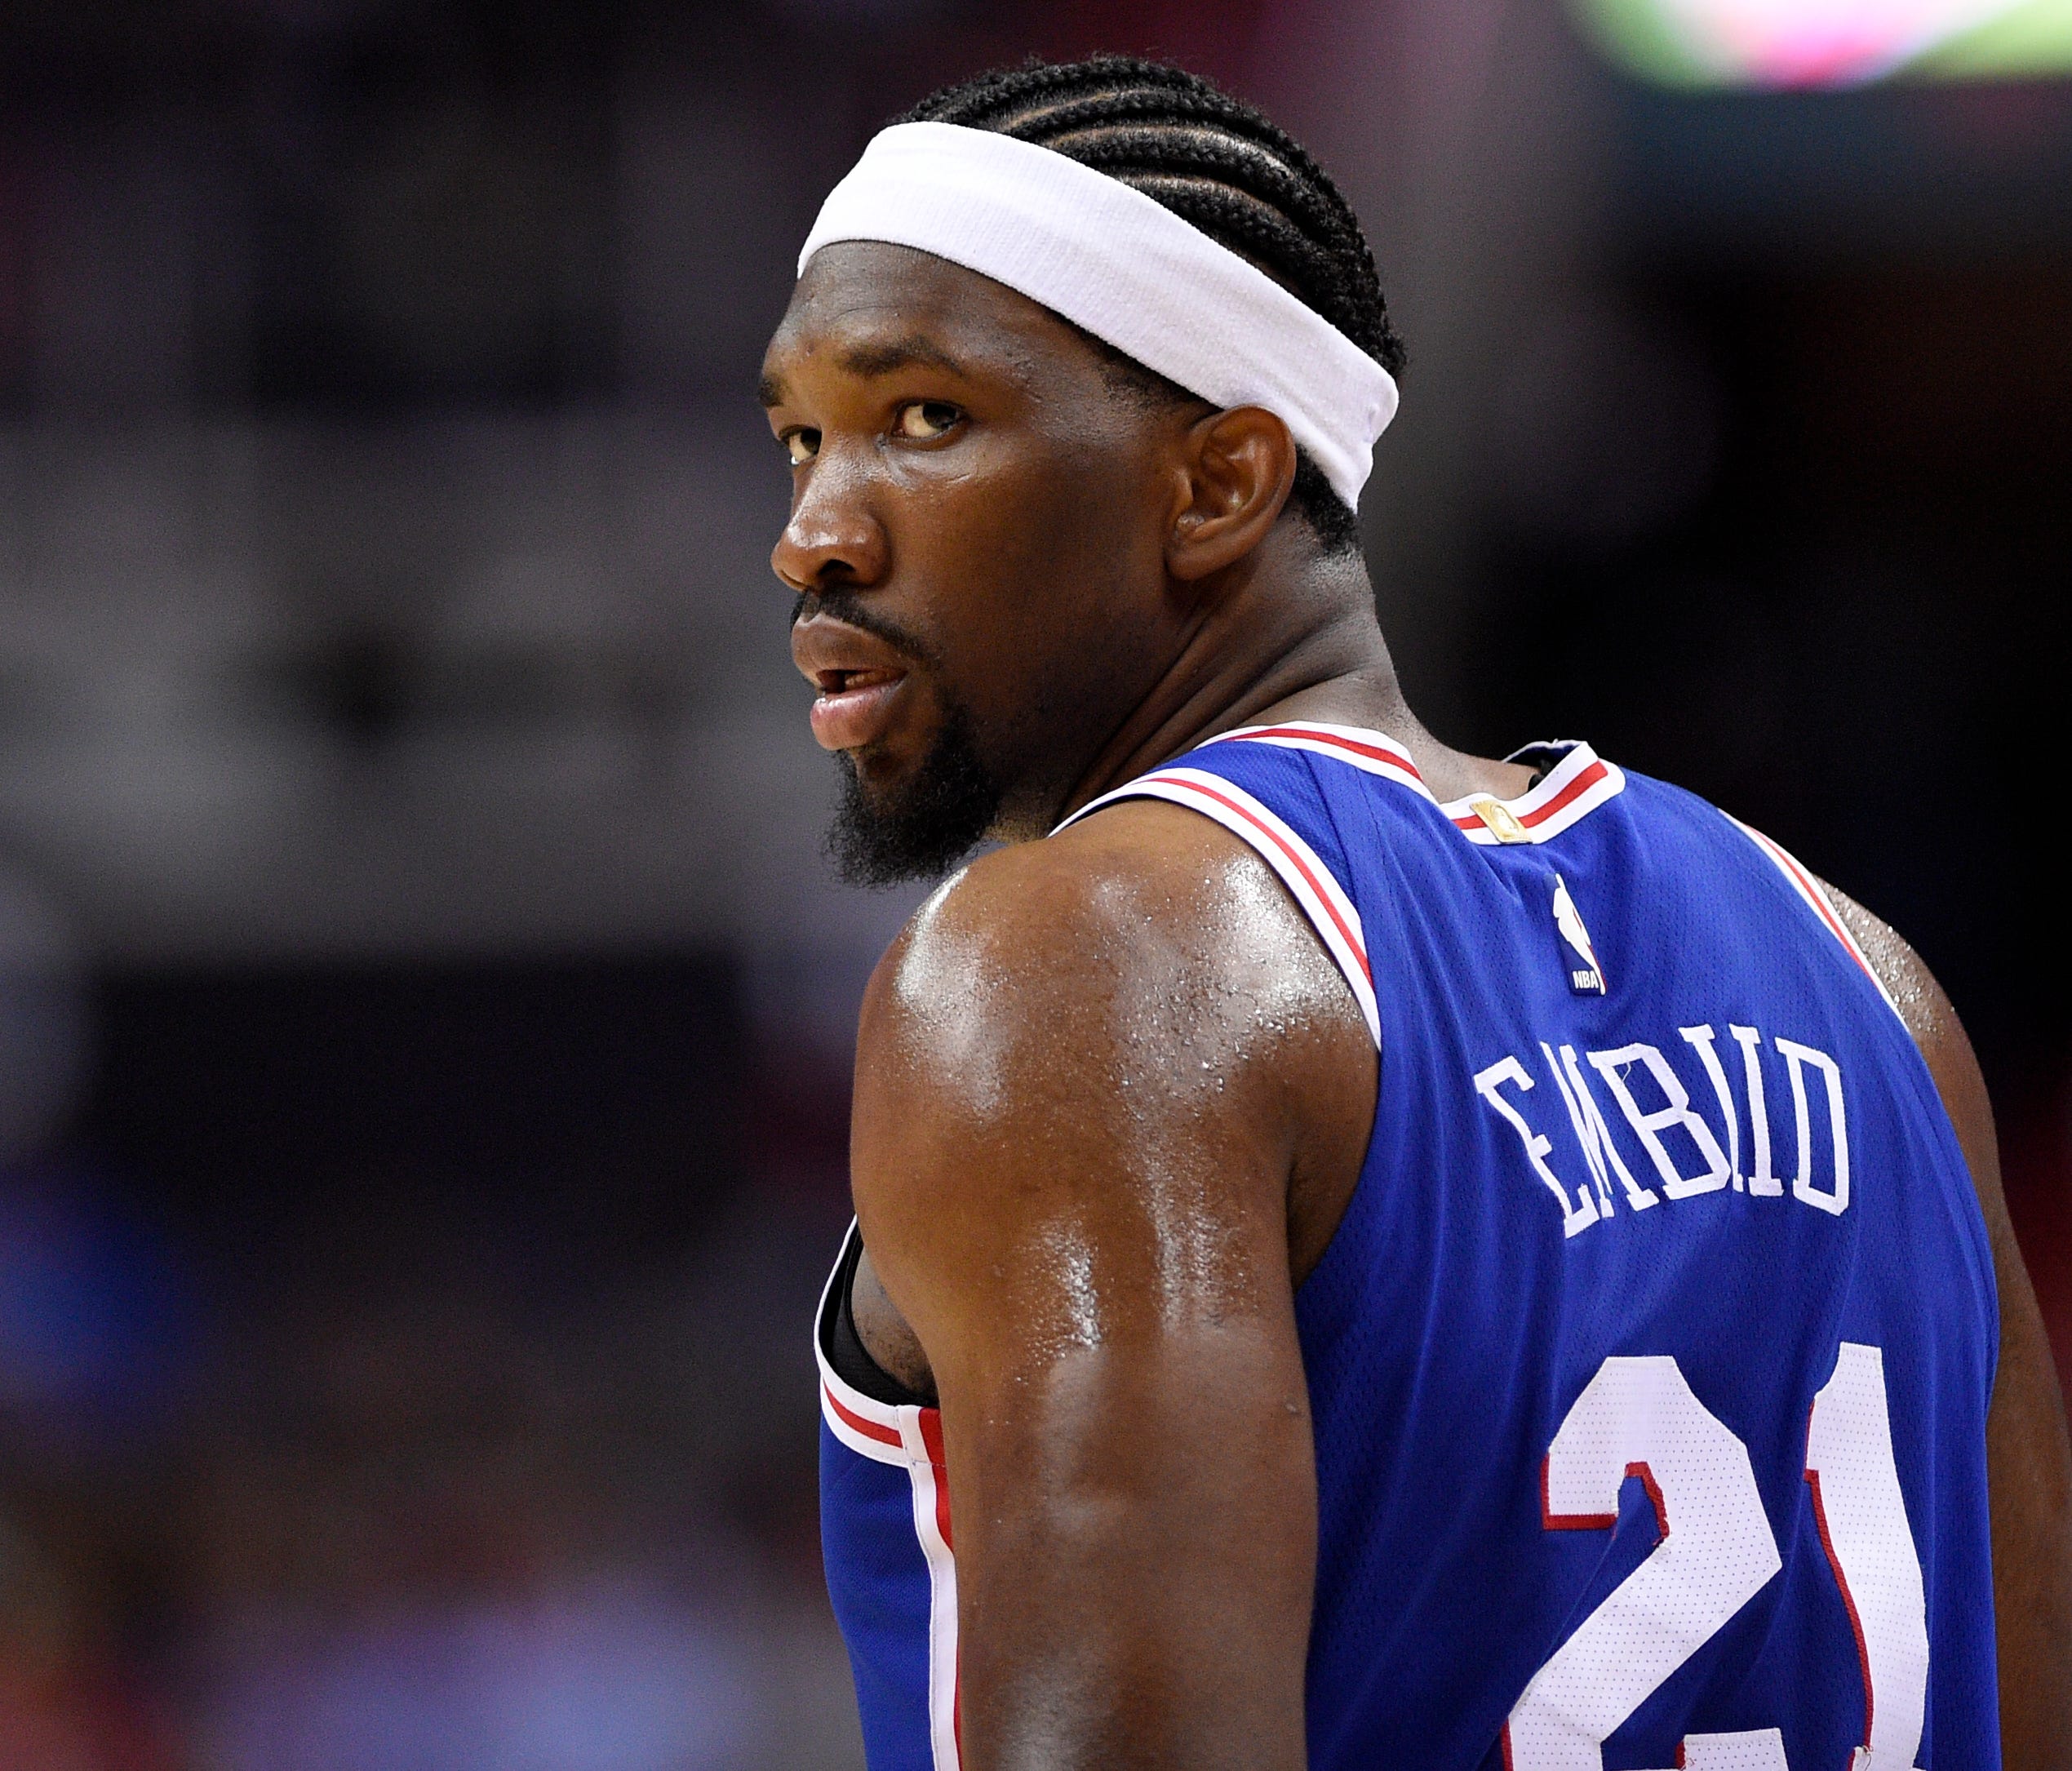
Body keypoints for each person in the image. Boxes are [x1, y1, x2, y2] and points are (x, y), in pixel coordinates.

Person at [757, 55, 2072, 1770]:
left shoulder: (1081, 962)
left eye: (921, 418)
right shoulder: (1863, 973)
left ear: (1220, 481)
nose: (812, 535)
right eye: (799, 438)